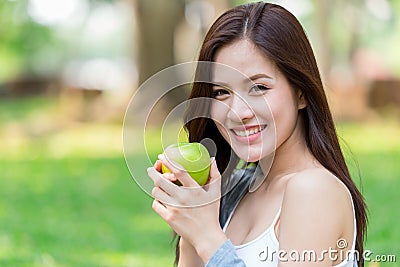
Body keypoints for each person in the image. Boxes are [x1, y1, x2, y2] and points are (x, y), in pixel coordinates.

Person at [147, 2, 367, 266]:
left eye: (259, 87)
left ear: (301, 92)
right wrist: (191, 225)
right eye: (221, 92)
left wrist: (207, 237)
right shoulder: (234, 188)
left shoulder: (315, 190)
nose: (238, 112)